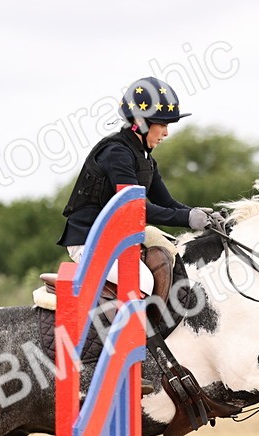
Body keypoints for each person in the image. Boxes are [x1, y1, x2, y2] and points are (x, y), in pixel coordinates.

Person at [57, 76, 216, 296]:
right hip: (89, 241)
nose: (166, 133)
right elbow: (135, 210)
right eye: (162, 124)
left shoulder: (144, 158)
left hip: (116, 237)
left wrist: (200, 215)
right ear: (141, 122)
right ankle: (126, 331)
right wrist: (188, 219)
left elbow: (166, 202)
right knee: (143, 281)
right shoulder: (117, 154)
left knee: (175, 257)